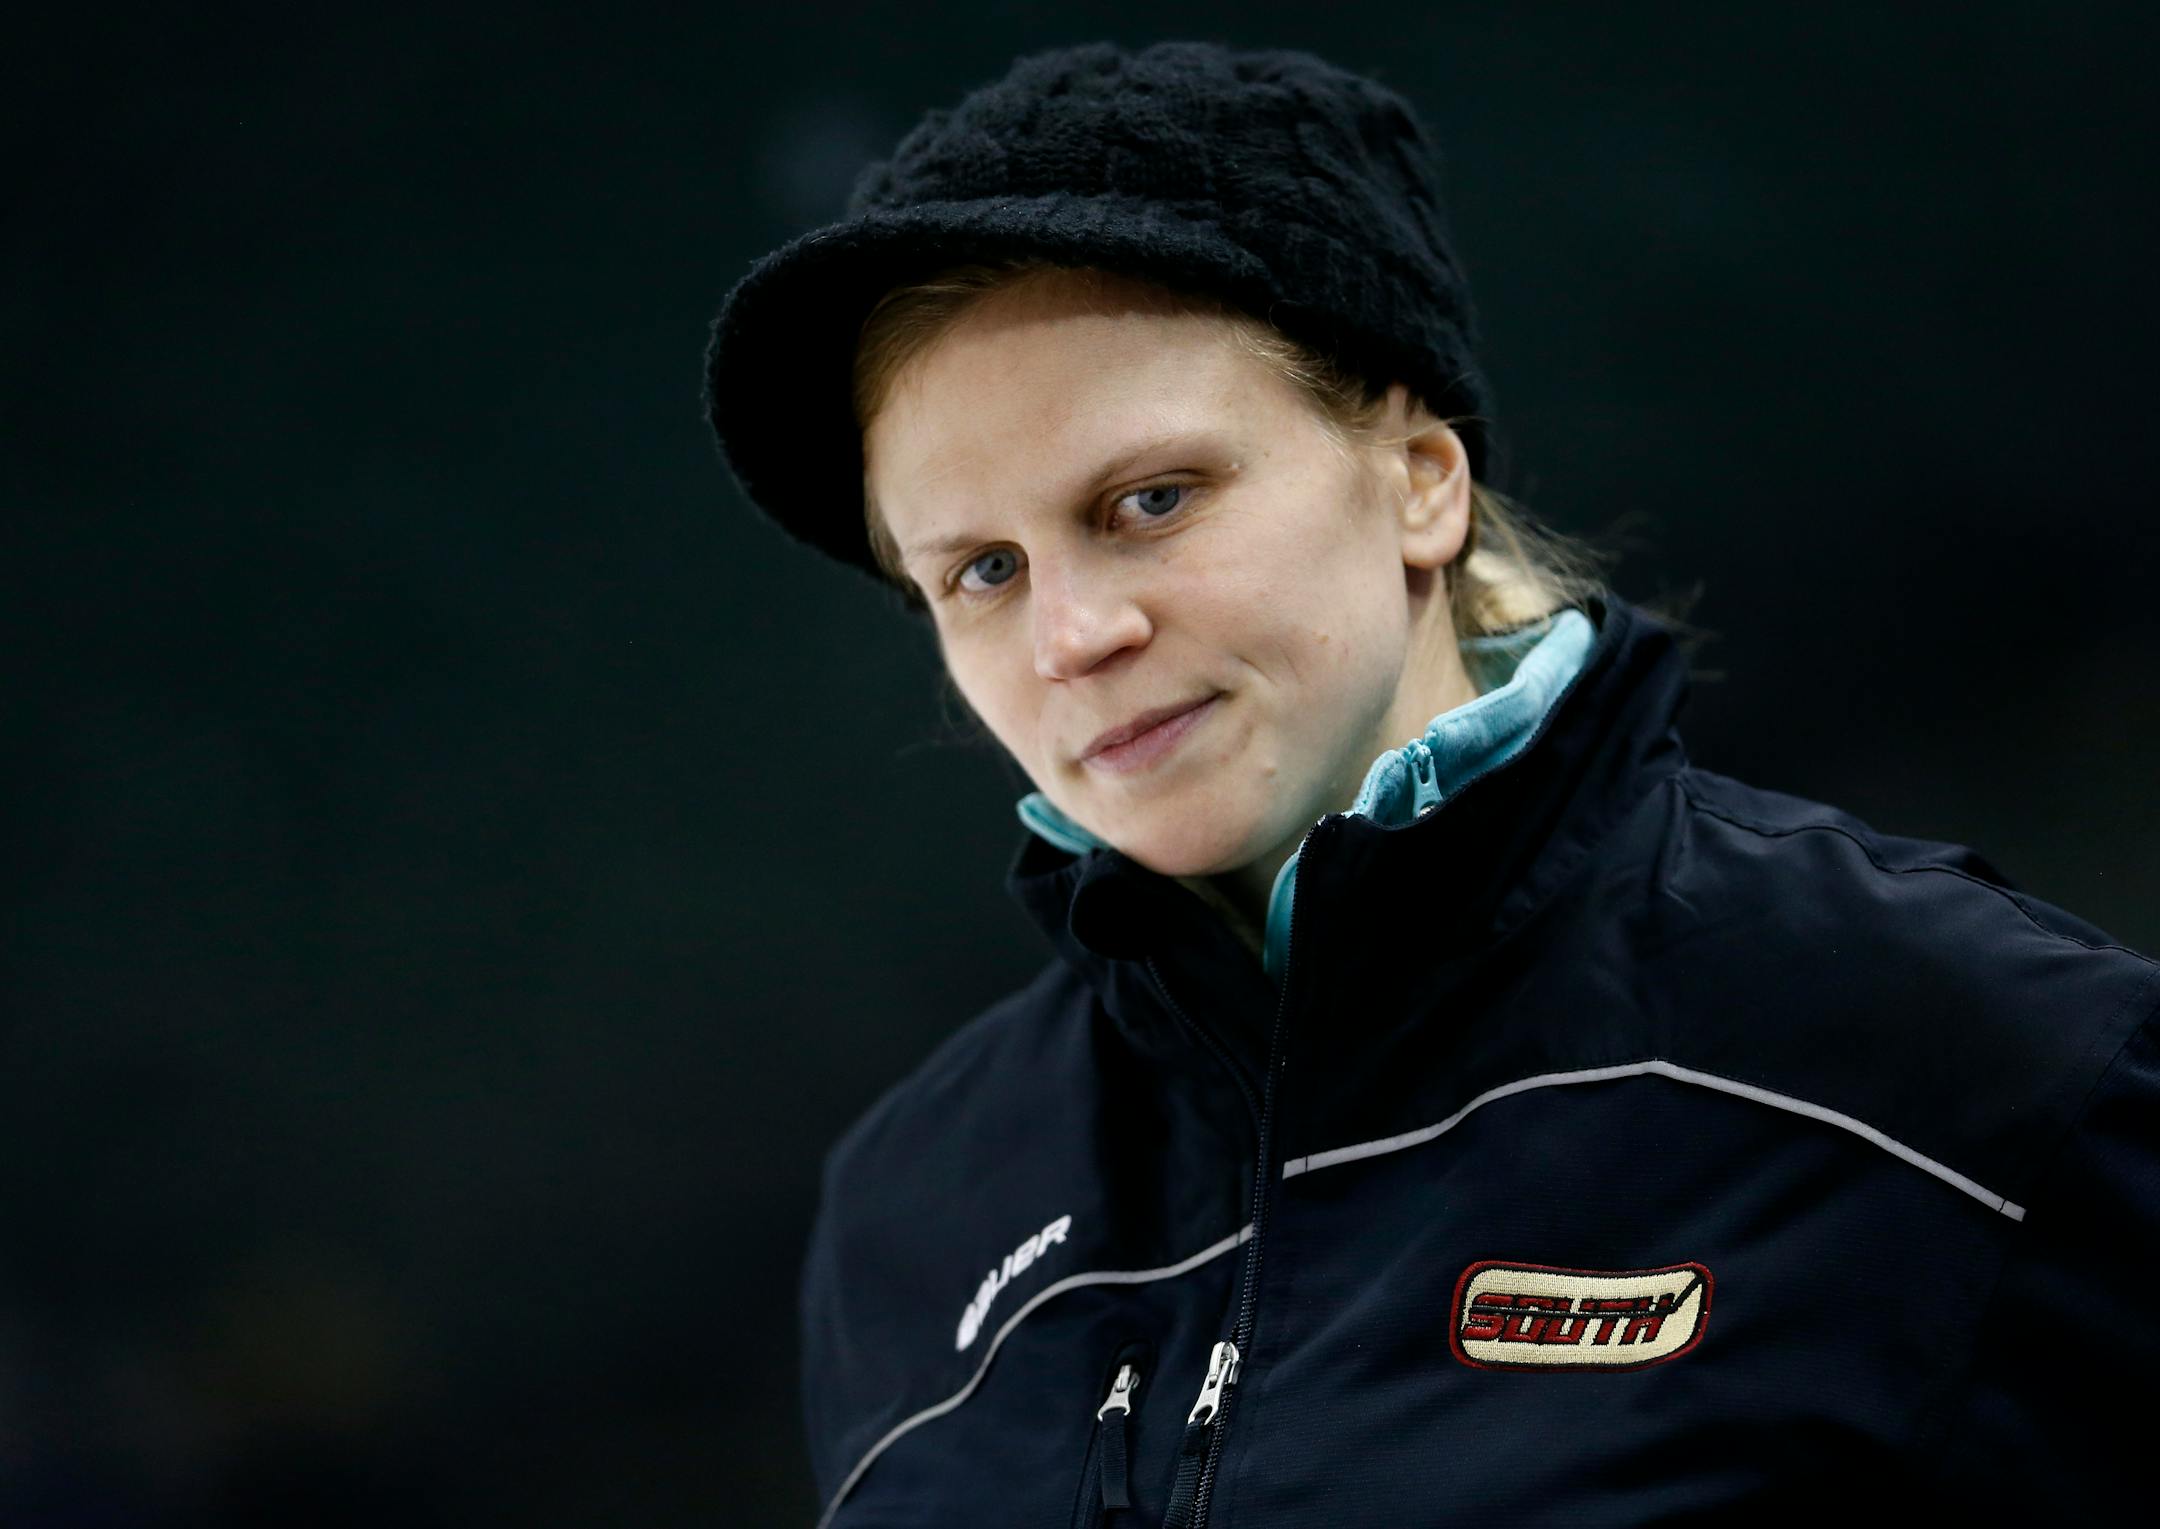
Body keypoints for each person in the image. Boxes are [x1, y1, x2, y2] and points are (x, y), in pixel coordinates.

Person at [703, 41, 2159, 1529]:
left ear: (1417, 475)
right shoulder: (912, 1216)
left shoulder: (1949, 1048)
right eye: (984, 572)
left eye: (1150, 500)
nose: (1075, 637)